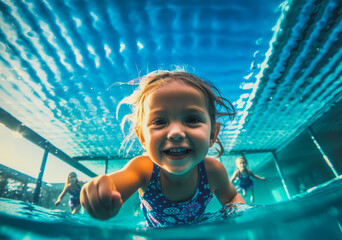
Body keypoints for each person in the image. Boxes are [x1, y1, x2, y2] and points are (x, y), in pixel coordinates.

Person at [80, 69, 245, 228]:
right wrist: (101, 191)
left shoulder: (212, 171)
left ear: (212, 134)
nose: (176, 133)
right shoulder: (144, 169)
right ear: (142, 137)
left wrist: (236, 213)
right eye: (159, 122)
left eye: (192, 119)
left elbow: (232, 196)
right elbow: (115, 185)